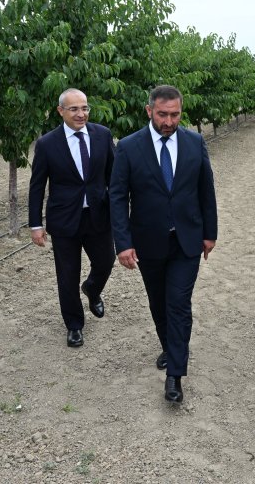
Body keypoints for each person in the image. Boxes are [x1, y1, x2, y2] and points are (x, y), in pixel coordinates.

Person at [109, 85, 218, 403]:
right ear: (149, 111)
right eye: (162, 115)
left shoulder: (195, 142)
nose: (169, 121)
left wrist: (210, 233)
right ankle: (169, 346)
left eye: (175, 114)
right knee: (158, 302)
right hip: (148, 241)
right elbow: (118, 197)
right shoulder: (129, 147)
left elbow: (206, 190)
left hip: (187, 241)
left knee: (178, 304)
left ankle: (175, 376)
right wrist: (123, 243)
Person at [28, 88, 115, 348]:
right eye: (74, 109)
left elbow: (114, 177)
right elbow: (37, 186)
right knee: (67, 275)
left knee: (106, 261)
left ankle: (92, 289)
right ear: (61, 111)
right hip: (65, 219)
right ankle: (74, 325)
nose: (81, 114)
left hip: (98, 214)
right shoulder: (47, 144)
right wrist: (36, 224)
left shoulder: (102, 135)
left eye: (85, 108)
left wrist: (121, 211)